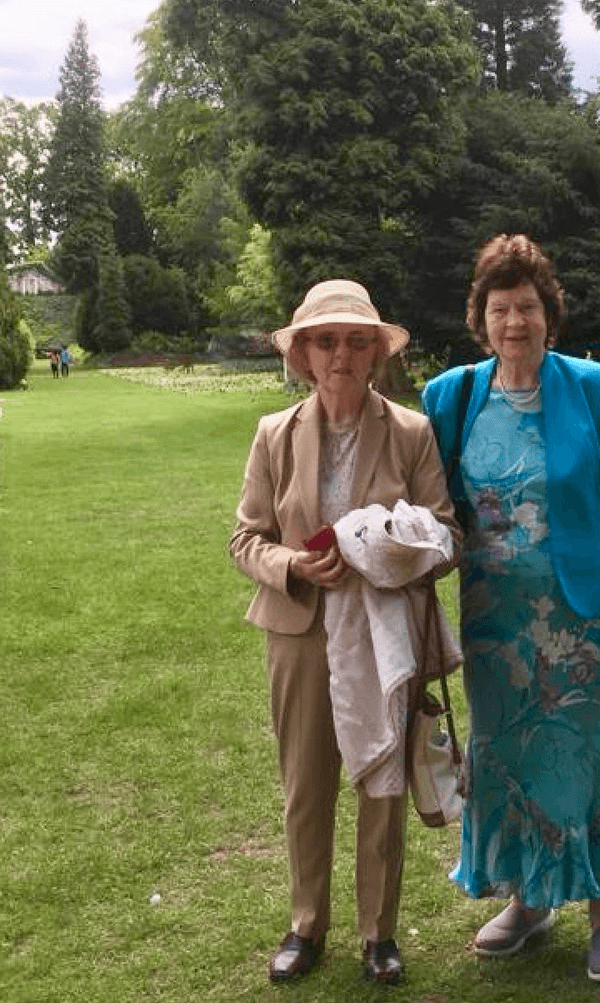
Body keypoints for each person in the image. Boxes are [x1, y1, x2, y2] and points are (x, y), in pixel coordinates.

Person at [422, 235, 600, 984]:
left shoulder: (591, 386)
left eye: (527, 306)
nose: (514, 321)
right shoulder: (452, 396)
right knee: (508, 759)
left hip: (581, 617)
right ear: (481, 319)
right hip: (493, 625)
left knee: (590, 758)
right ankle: (529, 900)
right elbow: (432, 508)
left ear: (548, 314)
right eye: (500, 308)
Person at [230, 279, 461, 985]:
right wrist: (295, 564)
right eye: (325, 340)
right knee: (306, 783)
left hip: (383, 633)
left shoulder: (411, 431)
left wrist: (388, 547)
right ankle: (307, 924)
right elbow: (244, 539)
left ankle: (378, 934)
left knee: (381, 782)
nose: (341, 354)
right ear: (302, 354)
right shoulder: (275, 433)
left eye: (356, 341)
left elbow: (448, 536)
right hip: (299, 631)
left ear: (374, 354)